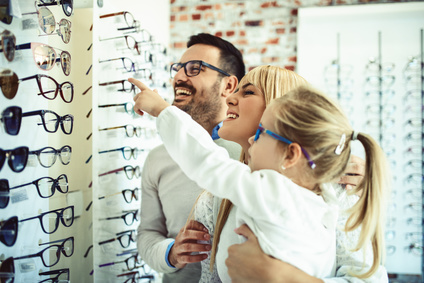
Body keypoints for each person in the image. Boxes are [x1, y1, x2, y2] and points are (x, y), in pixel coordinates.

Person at [130, 75, 391, 281]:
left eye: (264, 131)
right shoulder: (319, 207)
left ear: (291, 154)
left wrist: (162, 110)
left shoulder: (274, 191)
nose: (230, 98)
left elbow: (207, 160)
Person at [135, 33, 245, 283]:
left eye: (195, 68)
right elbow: (148, 234)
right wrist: (171, 253)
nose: (179, 77)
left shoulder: (252, 152)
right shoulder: (157, 159)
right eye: (178, 68)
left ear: (228, 86)